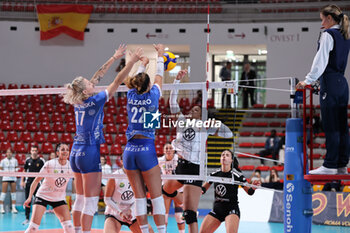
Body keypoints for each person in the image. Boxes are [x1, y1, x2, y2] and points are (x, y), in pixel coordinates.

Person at [63, 44, 143, 233]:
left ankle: (74, 231)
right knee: (90, 202)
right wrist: (130, 63)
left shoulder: (77, 100)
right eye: (89, 84)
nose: (93, 83)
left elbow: (96, 76)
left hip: (75, 151)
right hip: (89, 152)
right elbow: (116, 81)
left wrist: (114, 58)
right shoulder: (95, 100)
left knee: (80, 199)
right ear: (85, 90)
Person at [162, 70, 233, 233]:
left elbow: (228, 134)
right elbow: (173, 102)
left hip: (195, 168)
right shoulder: (181, 121)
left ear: (201, 115)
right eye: (192, 109)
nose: (192, 110)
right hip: (180, 166)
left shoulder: (204, 127)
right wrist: (176, 81)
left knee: (190, 214)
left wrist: (216, 123)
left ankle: (185, 204)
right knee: (164, 191)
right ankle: (168, 217)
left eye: (196, 110)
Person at [296, 5, 350, 175]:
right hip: (342, 82)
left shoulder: (328, 35)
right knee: (342, 126)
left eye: (322, 20)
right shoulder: (344, 34)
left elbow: (321, 61)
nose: (322, 23)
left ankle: (330, 165)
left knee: (332, 125)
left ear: (329, 18)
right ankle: (341, 164)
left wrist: (308, 80)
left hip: (331, 82)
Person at [123, 44, 166, 233]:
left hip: (129, 151)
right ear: (148, 85)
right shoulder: (154, 95)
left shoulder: (130, 94)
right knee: (156, 197)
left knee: (139, 198)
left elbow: (136, 81)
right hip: (146, 149)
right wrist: (161, 56)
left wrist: (143, 63)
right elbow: (159, 76)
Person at [199, 150, 261, 233]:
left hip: (231, 210)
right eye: (222, 155)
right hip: (217, 209)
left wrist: (253, 187)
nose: (224, 156)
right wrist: (198, 191)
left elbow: (249, 192)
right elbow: (203, 189)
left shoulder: (236, 175)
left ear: (231, 160)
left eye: (227, 155)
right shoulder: (214, 174)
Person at [23, 143, 73, 233]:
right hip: (43, 196)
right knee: (32, 229)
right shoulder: (50, 164)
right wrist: (30, 197)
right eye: (62, 149)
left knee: (69, 228)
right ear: (57, 153)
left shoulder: (71, 166)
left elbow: (79, 180)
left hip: (59, 198)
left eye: (67, 149)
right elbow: (36, 181)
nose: (65, 151)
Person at [103, 157, 154, 233]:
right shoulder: (115, 176)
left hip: (132, 213)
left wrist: (130, 210)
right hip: (115, 213)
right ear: (121, 162)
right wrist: (120, 212)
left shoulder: (139, 176)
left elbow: (141, 198)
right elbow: (107, 199)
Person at [158, 143, 185, 233]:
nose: (169, 150)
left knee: (178, 215)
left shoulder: (178, 159)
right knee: (164, 215)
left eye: (170, 148)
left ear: (174, 150)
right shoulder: (160, 160)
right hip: (166, 189)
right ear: (163, 150)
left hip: (179, 190)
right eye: (167, 148)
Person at [20, 145, 45, 225]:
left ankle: (37, 219)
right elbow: (24, 171)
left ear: (37, 152)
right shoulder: (28, 160)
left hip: (38, 184)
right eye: (32, 150)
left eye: (35, 151)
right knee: (28, 201)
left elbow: (45, 172)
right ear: (30, 151)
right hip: (28, 184)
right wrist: (22, 181)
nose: (34, 152)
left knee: (38, 201)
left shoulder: (41, 161)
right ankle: (27, 218)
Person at [0, 148, 18, 213]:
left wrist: (15, 171)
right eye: (8, 152)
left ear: (12, 153)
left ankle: (13, 208)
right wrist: (6, 172)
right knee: (3, 193)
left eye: (10, 152)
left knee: (13, 194)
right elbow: (0, 169)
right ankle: (1, 208)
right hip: (5, 178)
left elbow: (16, 168)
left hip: (13, 178)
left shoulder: (15, 160)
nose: (9, 153)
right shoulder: (3, 161)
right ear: (6, 153)